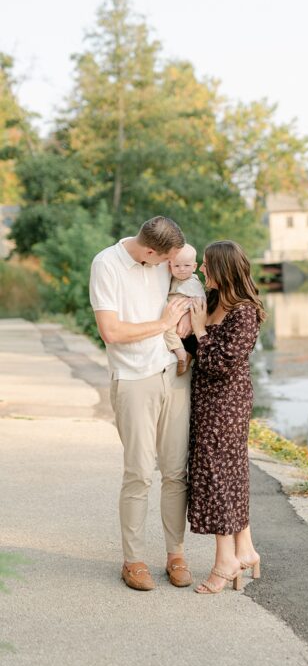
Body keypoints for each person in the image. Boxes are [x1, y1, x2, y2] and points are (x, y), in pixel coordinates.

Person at [88, 216, 194, 591]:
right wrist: (163, 321)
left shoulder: (165, 261)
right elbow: (111, 332)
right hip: (133, 380)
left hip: (175, 373)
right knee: (137, 473)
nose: (170, 265)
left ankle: (176, 554)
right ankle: (133, 561)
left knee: (176, 471)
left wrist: (184, 320)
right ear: (150, 251)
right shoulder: (107, 264)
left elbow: (189, 284)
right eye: (165, 259)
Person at [185, 240, 266, 594]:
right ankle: (245, 550)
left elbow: (220, 364)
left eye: (206, 265)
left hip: (227, 403)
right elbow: (196, 352)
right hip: (205, 401)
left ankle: (225, 560)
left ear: (223, 270)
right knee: (227, 472)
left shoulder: (244, 312)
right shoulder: (215, 302)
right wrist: (188, 331)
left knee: (217, 474)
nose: (202, 270)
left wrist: (201, 330)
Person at [163, 243, 205, 376]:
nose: (181, 269)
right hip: (175, 311)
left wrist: (187, 313)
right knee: (168, 330)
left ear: (194, 267)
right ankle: (183, 355)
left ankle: (182, 356)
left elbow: (201, 302)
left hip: (185, 312)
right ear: (170, 265)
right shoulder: (171, 278)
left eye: (186, 266)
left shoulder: (192, 282)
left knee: (168, 329)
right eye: (177, 266)